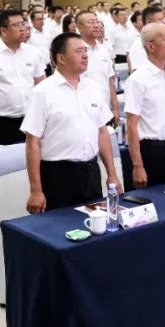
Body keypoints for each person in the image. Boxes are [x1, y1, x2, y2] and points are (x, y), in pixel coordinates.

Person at [21, 33, 123, 213]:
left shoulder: (92, 87)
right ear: (61, 58)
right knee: (62, 225)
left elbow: (102, 132)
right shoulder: (43, 92)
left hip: (91, 171)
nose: (85, 55)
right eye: (78, 51)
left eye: (85, 51)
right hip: (58, 175)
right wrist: (36, 190)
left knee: (95, 224)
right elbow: (32, 142)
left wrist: (112, 174)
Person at [124, 24, 165, 189]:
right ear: (150, 46)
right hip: (150, 151)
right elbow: (131, 125)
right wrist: (138, 166)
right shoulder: (137, 79)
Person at [0, 9, 45, 146]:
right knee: (3, 159)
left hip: (30, 120)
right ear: (4, 31)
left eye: (23, 23)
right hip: (1, 122)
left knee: (33, 158)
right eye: (16, 25)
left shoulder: (33, 52)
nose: (22, 28)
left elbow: (41, 85)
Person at [77, 11, 119, 123]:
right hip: (84, 112)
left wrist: (115, 109)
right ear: (80, 27)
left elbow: (110, 81)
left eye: (96, 22)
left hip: (105, 110)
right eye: (91, 22)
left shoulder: (103, 50)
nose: (96, 25)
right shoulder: (75, 51)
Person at [127, 6, 165, 71]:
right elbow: (138, 73)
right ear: (149, 22)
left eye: (163, 19)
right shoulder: (139, 45)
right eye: (160, 20)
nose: (164, 22)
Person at [28, 11, 53, 76]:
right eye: (38, 19)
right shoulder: (29, 34)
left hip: (48, 65)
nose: (41, 21)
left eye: (42, 19)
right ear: (32, 21)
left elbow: (50, 48)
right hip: (35, 67)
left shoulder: (47, 32)